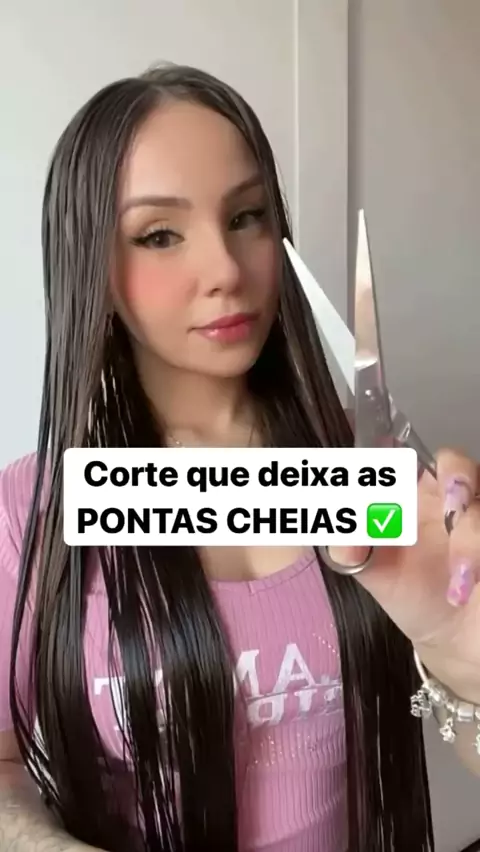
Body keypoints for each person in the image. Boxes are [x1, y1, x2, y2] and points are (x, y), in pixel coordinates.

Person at [0, 63, 479, 852]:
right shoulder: (31, 514)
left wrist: (463, 657)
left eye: (247, 217)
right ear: (92, 263)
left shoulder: (372, 476)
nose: (226, 271)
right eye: (160, 235)